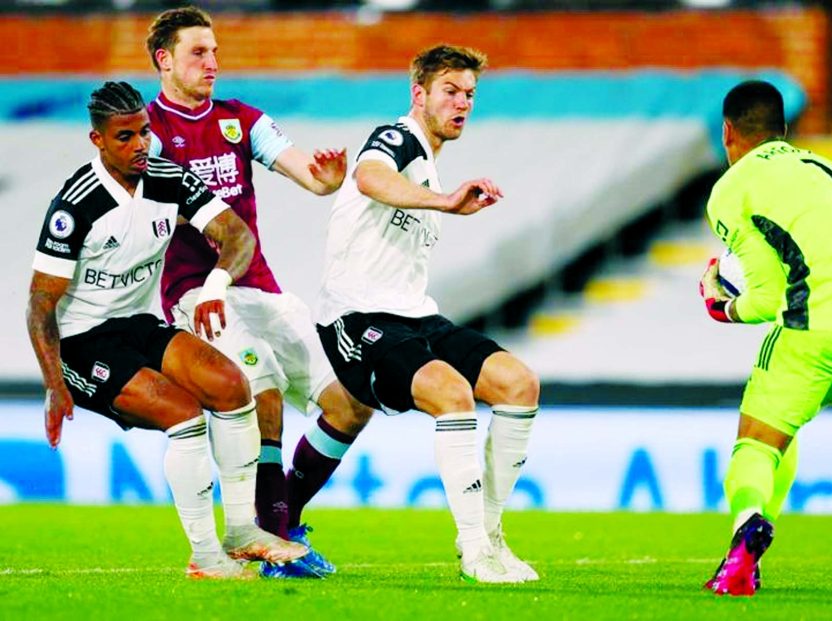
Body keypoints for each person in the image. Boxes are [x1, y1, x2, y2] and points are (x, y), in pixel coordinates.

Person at [26, 81, 310, 579]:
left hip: (137, 324)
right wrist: (54, 383)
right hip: (80, 342)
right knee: (184, 416)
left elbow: (236, 234)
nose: (139, 146)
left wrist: (217, 283)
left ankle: (243, 531)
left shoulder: (165, 177)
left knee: (230, 385)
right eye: (124, 137)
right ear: (98, 140)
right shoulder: (77, 205)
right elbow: (40, 304)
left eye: (144, 132)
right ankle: (204, 557)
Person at [144, 6, 374, 578]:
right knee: (261, 385)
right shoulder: (144, 132)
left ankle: (281, 517)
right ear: (163, 59)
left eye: (216, 51)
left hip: (261, 287)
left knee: (353, 401)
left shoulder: (240, 119)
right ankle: (272, 541)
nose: (212, 62)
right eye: (198, 52)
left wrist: (323, 177)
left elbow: (307, 173)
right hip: (198, 294)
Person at [315, 44, 541, 584]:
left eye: (469, 95)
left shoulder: (430, 169)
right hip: (355, 318)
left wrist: (444, 201)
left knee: (519, 382)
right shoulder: (398, 138)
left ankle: (491, 535)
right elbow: (369, 177)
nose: (462, 103)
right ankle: (473, 552)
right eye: (450, 91)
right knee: (451, 393)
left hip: (414, 317)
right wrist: (443, 203)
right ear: (419, 94)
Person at [699, 80, 832, 596]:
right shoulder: (831, 169)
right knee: (783, 428)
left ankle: (744, 539)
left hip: (822, 316)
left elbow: (767, 298)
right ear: (784, 129)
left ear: (727, 131)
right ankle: (746, 553)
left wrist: (722, 307)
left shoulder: (733, 187)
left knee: (754, 436)